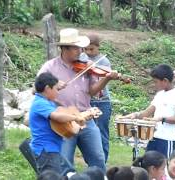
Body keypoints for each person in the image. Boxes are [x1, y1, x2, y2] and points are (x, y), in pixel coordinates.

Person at [37, 28, 119, 172]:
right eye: (76, 47)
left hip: (85, 117)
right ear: (64, 48)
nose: (81, 51)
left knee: (98, 158)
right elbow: (36, 89)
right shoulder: (50, 67)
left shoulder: (86, 66)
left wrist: (106, 79)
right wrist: (54, 85)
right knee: (65, 162)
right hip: (63, 120)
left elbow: (92, 91)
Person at [29, 72, 95, 176]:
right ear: (47, 88)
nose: (58, 93)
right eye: (56, 89)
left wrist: (83, 116)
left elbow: (65, 122)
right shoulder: (40, 103)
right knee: (51, 177)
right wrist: (76, 118)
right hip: (45, 149)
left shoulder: (48, 102)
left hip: (52, 148)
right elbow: (57, 117)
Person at [122, 64, 175, 158]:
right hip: (154, 137)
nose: (154, 84)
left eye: (155, 82)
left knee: (163, 168)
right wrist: (135, 115)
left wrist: (161, 119)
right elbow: (147, 112)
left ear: (165, 81)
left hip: (167, 139)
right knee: (148, 166)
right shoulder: (160, 94)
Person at [81, 33, 113, 162]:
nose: (88, 52)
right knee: (87, 134)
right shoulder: (81, 58)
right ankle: (90, 162)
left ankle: (102, 162)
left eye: (92, 49)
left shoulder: (104, 61)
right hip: (87, 101)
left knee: (102, 133)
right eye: (86, 49)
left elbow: (101, 82)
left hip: (102, 101)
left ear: (98, 47)